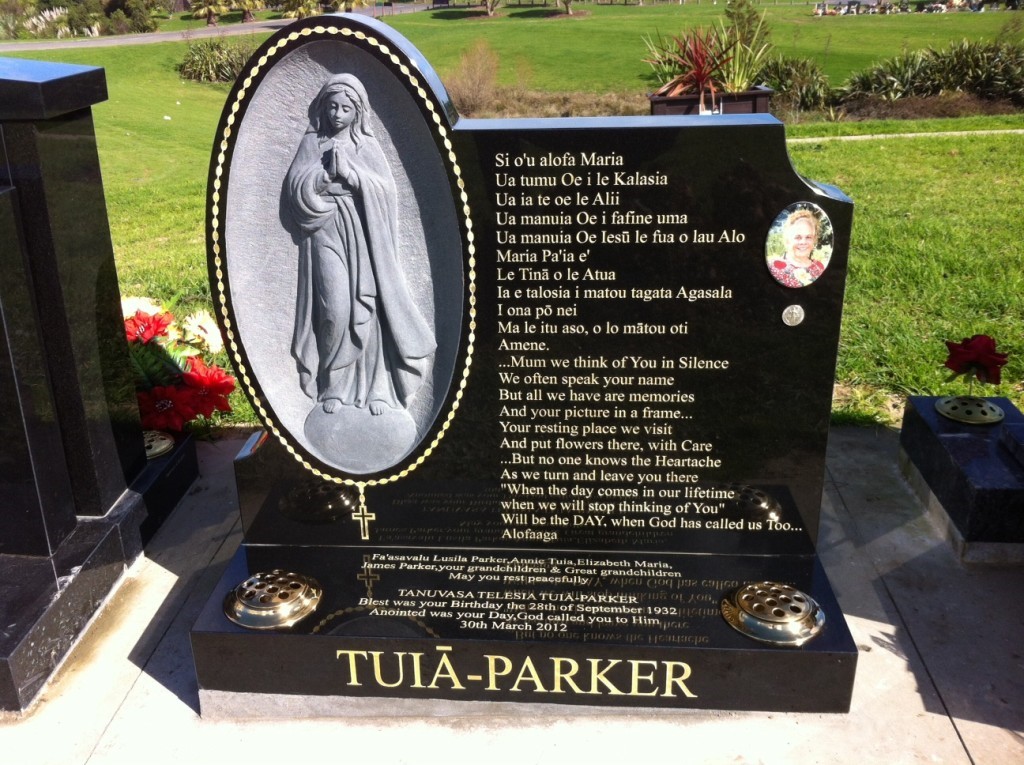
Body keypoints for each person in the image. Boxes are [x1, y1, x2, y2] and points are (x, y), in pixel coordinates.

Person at [284, 74, 435, 417]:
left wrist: (352, 176)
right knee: (335, 309)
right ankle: (334, 386)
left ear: (357, 112)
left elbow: (386, 192)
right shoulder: (312, 144)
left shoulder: (366, 147)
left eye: (346, 108)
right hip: (325, 230)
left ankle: (377, 390)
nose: (338, 114)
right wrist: (323, 177)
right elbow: (294, 189)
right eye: (332, 106)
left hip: (364, 233)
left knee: (369, 307)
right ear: (323, 108)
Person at [768, 209, 826, 288]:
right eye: (798, 237)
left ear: (814, 239)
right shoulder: (774, 267)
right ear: (788, 239)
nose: (803, 242)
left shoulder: (819, 267)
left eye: (808, 237)